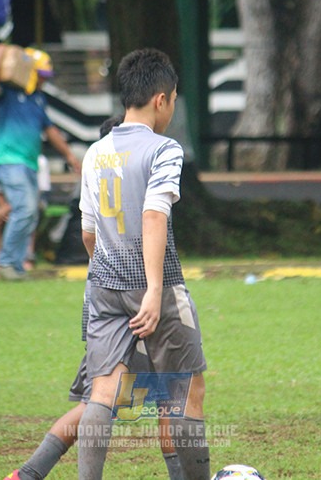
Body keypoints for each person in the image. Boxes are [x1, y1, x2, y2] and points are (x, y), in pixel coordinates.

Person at [3, 114, 184, 480]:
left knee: (97, 401)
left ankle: (27, 474)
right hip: (137, 298)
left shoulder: (99, 181)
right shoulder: (138, 186)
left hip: (101, 301)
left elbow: (90, 238)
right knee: (169, 395)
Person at [75, 48, 210, 480]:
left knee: (104, 391)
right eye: (172, 100)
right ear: (161, 99)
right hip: (158, 285)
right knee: (187, 390)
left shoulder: (95, 153)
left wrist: (107, 269)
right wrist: (152, 289)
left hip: (104, 285)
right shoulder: (164, 149)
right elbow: (154, 214)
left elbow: (89, 231)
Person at [0, 44, 80, 280]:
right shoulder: (8, 94)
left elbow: (50, 130)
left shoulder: (38, 100)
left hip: (28, 164)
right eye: (42, 75)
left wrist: (69, 155)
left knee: (31, 213)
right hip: (9, 161)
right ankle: (5, 263)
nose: (44, 81)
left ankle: (15, 266)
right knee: (24, 209)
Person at [0, 154, 51, 278]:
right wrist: (4, 207)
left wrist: (12, 207)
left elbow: (37, 194)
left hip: (31, 203)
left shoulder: (40, 161)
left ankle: (24, 260)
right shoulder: (5, 160)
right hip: (10, 203)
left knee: (26, 215)